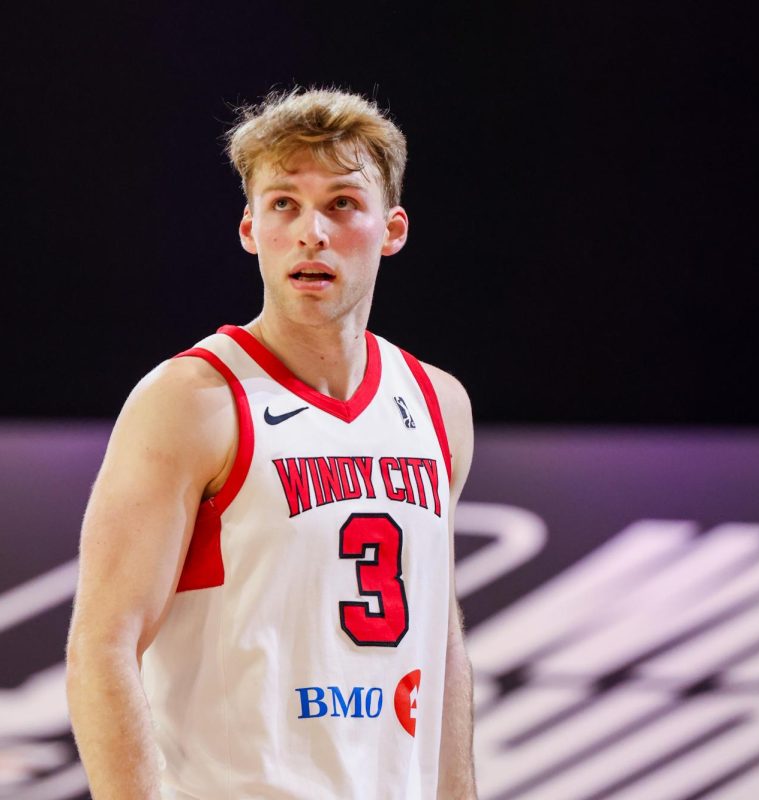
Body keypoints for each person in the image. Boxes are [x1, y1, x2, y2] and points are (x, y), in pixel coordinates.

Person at [65, 87, 477, 799]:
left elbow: (439, 642)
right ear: (251, 227)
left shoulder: (438, 404)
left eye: (342, 204)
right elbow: (101, 646)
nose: (310, 231)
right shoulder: (191, 402)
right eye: (284, 203)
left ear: (392, 228)